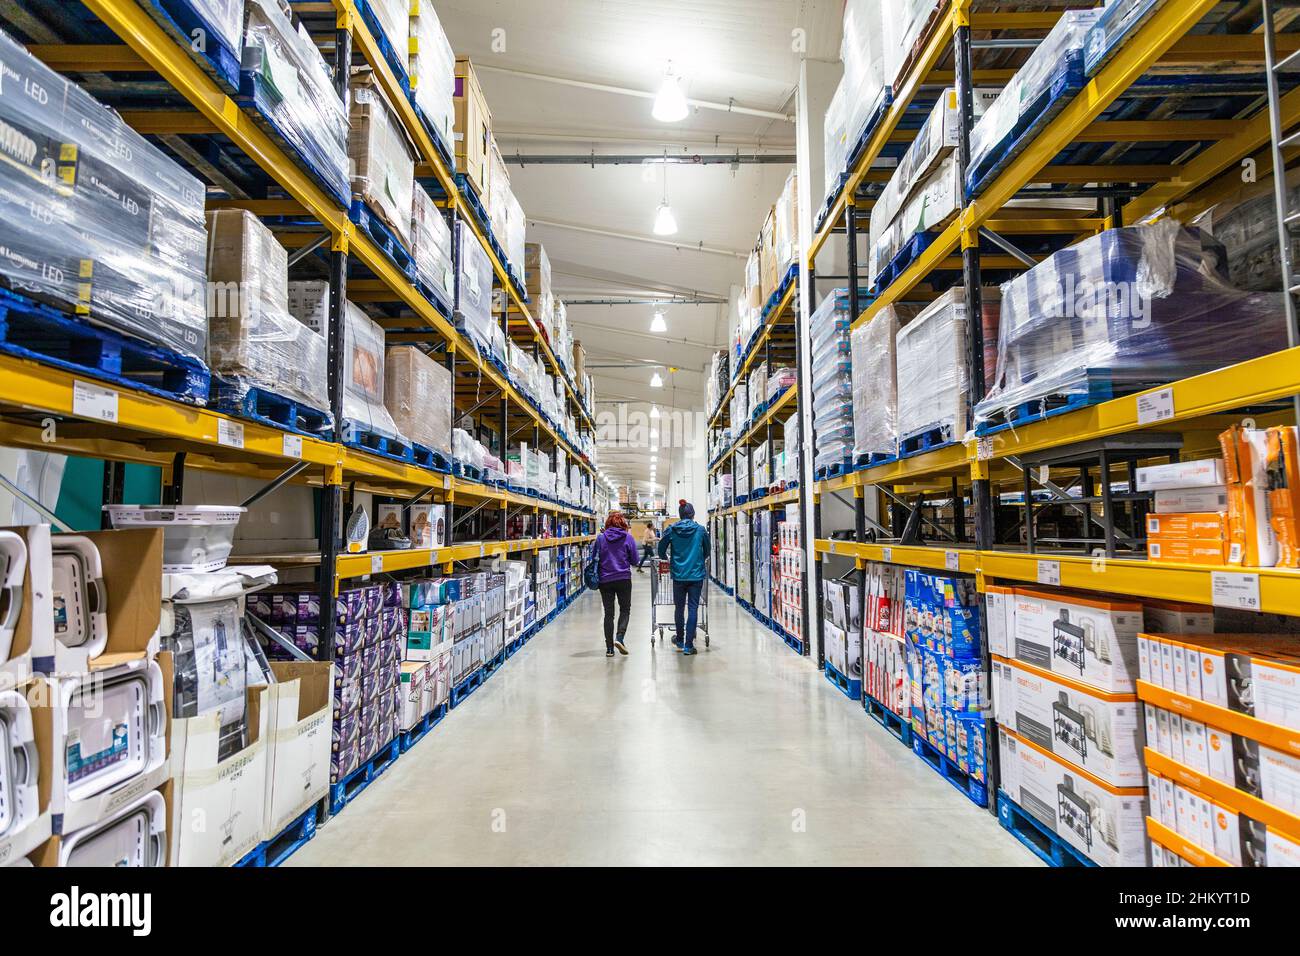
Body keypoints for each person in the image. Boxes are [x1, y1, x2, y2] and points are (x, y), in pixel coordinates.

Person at [658, 500, 710, 656]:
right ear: (693, 514)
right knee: (693, 607)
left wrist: (665, 557)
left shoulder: (672, 529)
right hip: (696, 575)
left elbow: (661, 547)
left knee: (679, 608)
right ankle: (688, 646)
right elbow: (707, 550)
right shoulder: (700, 530)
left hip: (679, 575)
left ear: (680, 515)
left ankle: (679, 639)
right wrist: (699, 559)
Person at [591, 512, 639, 657]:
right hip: (623, 578)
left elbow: (594, 558)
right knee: (625, 609)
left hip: (605, 580)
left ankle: (609, 649)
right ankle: (619, 637)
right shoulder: (628, 538)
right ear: (623, 524)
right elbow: (635, 561)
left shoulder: (600, 539)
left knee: (608, 614)